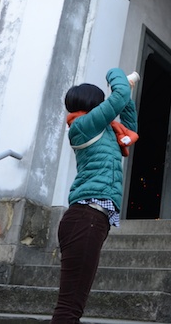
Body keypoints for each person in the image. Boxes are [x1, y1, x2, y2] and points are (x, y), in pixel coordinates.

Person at [51, 68, 138, 323]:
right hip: (85, 217)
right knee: (70, 308)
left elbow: (129, 127)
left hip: (93, 219)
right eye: (102, 102)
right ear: (93, 104)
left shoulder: (107, 131)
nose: (105, 106)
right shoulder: (82, 126)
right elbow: (119, 94)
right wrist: (115, 73)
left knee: (74, 305)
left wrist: (128, 97)